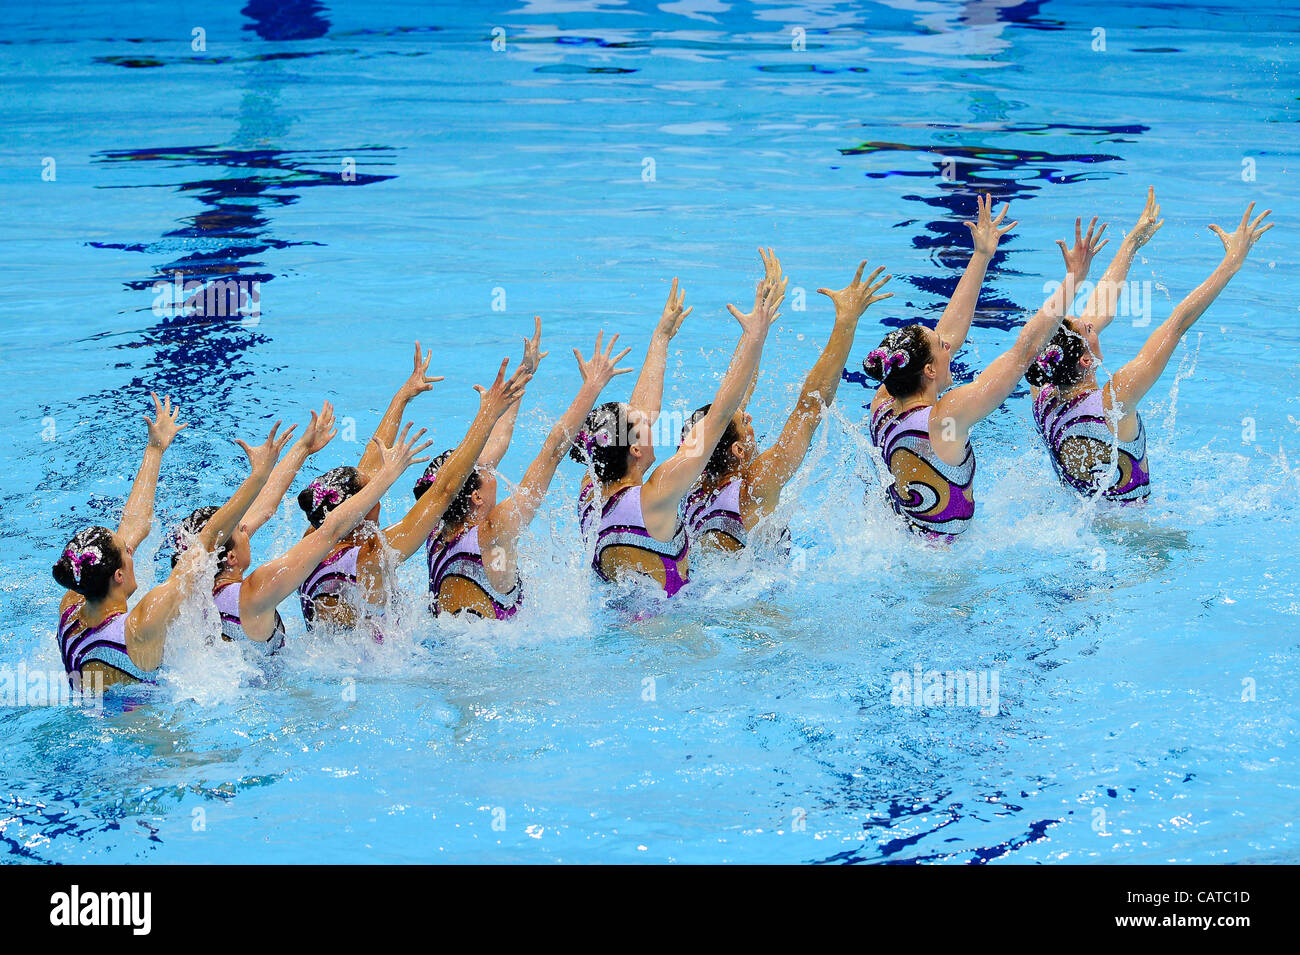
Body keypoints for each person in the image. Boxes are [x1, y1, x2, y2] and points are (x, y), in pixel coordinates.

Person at [865, 203, 1105, 539]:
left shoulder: (883, 401)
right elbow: (1025, 350)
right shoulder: (945, 419)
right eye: (940, 346)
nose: (948, 345)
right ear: (930, 370)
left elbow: (948, 332)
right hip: (946, 573)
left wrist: (981, 256)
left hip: (904, 545)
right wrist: (1073, 279)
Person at [1028, 195, 1271, 501]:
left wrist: (1130, 245)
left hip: (1081, 523)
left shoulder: (1042, 394)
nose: (1091, 320)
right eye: (1087, 328)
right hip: (1139, 534)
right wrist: (1232, 262)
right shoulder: (1116, 399)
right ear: (1087, 361)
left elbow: (1091, 316)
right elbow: (1177, 324)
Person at [570, 267, 784, 595]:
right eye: (644, 425)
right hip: (673, 632)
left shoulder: (591, 491)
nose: (651, 422)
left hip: (623, 620)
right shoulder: (657, 495)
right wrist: (755, 336)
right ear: (635, 450)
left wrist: (661, 338)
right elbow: (721, 416)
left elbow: (642, 410)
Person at [52, 408, 288, 688]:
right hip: (146, 731)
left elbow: (132, 526)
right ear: (117, 575)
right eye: (126, 551)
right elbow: (207, 541)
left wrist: (155, 449)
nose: (131, 548)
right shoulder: (141, 626)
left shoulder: (72, 604)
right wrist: (258, 477)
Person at [296, 353, 530, 634]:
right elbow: (444, 491)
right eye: (370, 496)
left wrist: (402, 398)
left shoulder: (313, 538)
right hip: (375, 672)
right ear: (356, 511)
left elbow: (367, 468)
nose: (376, 496)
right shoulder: (371, 559)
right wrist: (487, 416)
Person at [171, 404, 432, 647]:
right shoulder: (255, 592)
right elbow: (330, 531)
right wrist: (388, 477)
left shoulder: (187, 588)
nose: (246, 527)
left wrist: (302, 449)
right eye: (240, 530)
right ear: (230, 557)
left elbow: (264, 507)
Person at [682, 253, 893, 551]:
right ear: (739, 450)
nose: (750, 418)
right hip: (758, 599)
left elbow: (731, 396)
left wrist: (758, 326)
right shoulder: (754, 488)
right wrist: (846, 320)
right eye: (745, 422)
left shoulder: (687, 481)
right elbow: (808, 408)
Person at [423, 327, 633, 618]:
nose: (491, 469)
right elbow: (553, 450)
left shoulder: (434, 529)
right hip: (492, 655)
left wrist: (523, 375)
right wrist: (593, 386)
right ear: (476, 497)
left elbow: (495, 443)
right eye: (486, 472)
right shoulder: (494, 534)